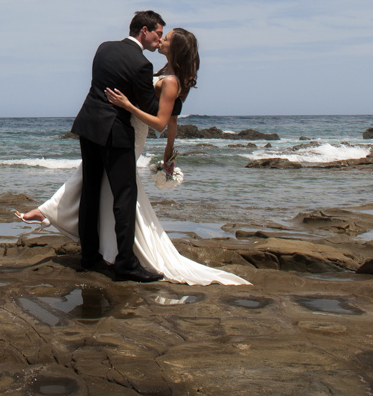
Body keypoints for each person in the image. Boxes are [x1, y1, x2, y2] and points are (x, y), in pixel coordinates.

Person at [16, 20, 249, 287]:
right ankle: (108, 252)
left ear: (176, 48)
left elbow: (164, 123)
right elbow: (171, 122)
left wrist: (129, 107)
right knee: (103, 190)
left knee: (106, 191)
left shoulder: (166, 79)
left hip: (126, 132)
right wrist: (168, 156)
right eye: (160, 34)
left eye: (167, 38)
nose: (161, 40)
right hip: (117, 130)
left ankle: (95, 247)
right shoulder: (156, 69)